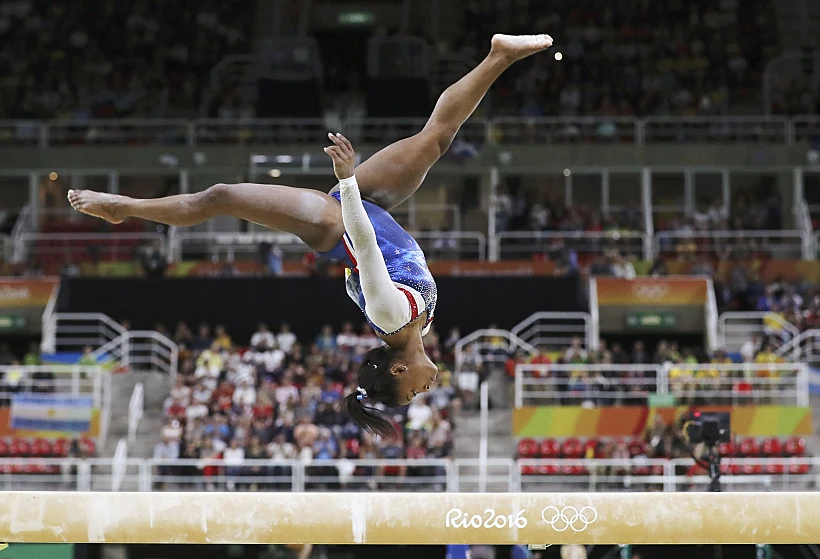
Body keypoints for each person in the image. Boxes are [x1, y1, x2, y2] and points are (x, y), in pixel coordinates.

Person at [66, 34, 554, 435]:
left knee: (217, 196)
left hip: (337, 220)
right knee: (437, 138)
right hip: (370, 208)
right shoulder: (418, 325)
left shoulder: (392, 318)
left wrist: (346, 181)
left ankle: (124, 207)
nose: (426, 391)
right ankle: (499, 55)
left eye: (412, 392)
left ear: (400, 371)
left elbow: (362, 249)